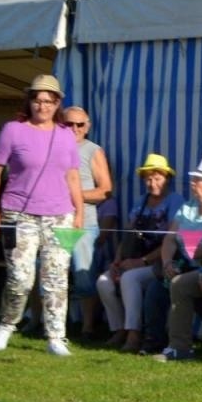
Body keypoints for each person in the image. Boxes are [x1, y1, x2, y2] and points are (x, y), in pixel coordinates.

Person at [0, 74, 84, 356]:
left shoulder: (66, 135)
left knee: (56, 277)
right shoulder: (12, 130)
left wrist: (78, 212)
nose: (42, 106)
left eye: (48, 101)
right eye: (37, 100)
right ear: (29, 102)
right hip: (19, 213)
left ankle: (56, 336)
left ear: (57, 104)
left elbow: (73, 175)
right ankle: (7, 323)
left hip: (60, 214)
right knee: (20, 277)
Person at [95, 154, 181, 353]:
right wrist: (117, 261)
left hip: (160, 261)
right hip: (134, 258)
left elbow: (172, 240)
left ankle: (134, 333)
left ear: (167, 179)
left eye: (157, 178)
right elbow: (128, 234)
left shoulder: (175, 201)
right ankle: (119, 329)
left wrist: (141, 261)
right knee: (103, 282)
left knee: (130, 279)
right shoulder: (140, 201)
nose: (152, 183)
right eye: (148, 179)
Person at [152, 158, 202, 361]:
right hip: (184, 265)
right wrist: (167, 262)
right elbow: (170, 239)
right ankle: (164, 344)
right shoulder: (187, 207)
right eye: (193, 180)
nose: (193, 184)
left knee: (181, 285)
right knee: (157, 288)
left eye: (198, 180)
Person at [63, 106, 113, 340]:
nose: (74, 129)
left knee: (84, 276)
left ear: (88, 126)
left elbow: (105, 190)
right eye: (69, 124)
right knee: (47, 272)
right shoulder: (53, 146)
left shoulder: (93, 150)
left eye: (79, 125)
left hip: (84, 222)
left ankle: (87, 327)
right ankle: (41, 322)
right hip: (54, 219)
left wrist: (73, 194)